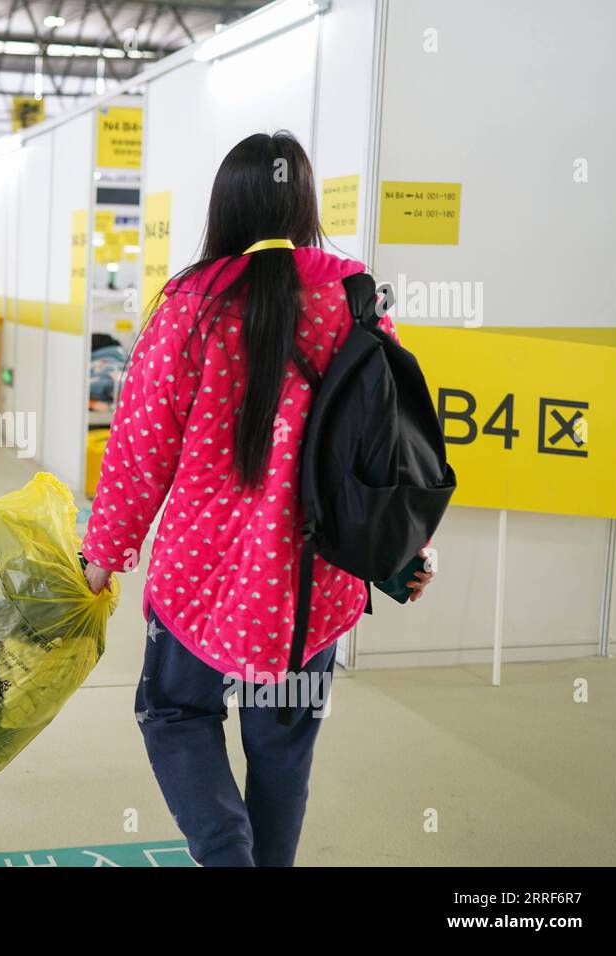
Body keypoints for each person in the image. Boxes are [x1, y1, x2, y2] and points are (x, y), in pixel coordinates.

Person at [80, 131, 433, 867]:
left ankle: (224, 851)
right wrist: (407, 547)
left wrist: (104, 553)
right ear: (305, 204)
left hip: (199, 581)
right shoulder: (357, 301)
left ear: (225, 207)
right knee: (281, 749)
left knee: (174, 712)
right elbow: (389, 444)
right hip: (314, 584)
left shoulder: (189, 306)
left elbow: (139, 449)